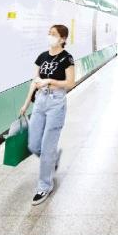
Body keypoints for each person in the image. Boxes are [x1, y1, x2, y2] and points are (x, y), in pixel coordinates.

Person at [19, 24, 75, 206]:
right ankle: (53, 158)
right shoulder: (42, 56)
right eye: (49, 33)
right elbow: (35, 81)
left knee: (47, 146)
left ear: (63, 39)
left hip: (56, 102)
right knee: (34, 144)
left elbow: (70, 83)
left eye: (54, 34)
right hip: (40, 101)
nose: (50, 36)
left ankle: (44, 186)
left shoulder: (67, 58)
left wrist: (50, 80)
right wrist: (26, 103)